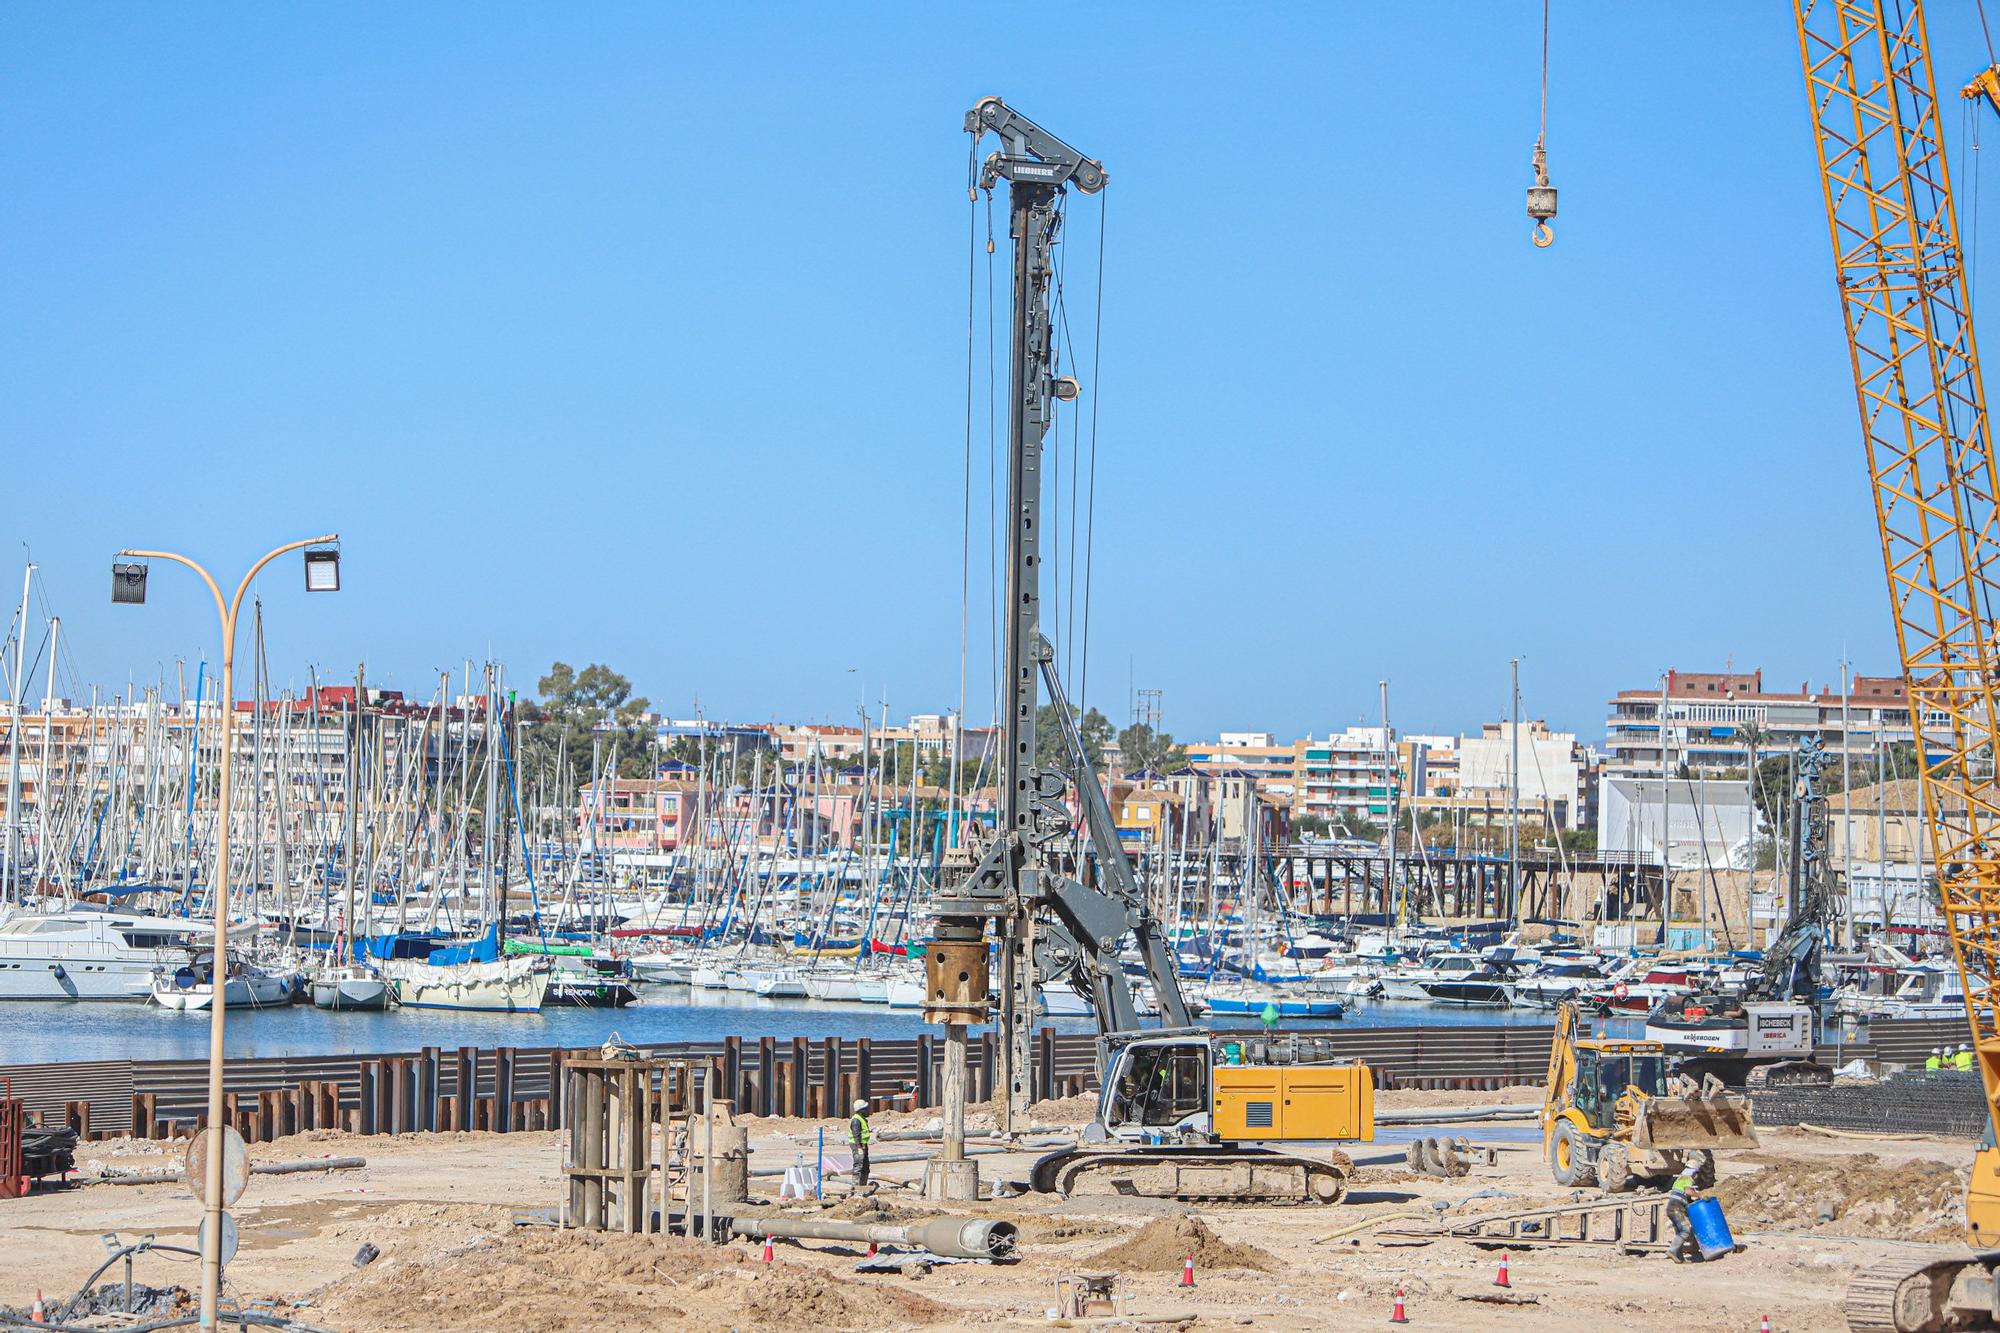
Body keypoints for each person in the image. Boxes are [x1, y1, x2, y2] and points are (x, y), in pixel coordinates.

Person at [1665, 1154, 1710, 1263]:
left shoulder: (1679, 1179)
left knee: (1679, 1232)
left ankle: (1679, 1257)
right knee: (1685, 1231)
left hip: (1672, 1207)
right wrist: (1700, 1195)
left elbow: (1684, 1196)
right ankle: (1672, 1250)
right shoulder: (1687, 1178)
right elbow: (1688, 1191)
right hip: (1676, 1208)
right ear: (1694, 1172)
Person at [848, 1098, 872, 1189]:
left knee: (865, 1166)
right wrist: (859, 1147)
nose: (868, 1110)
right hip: (858, 1146)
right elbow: (856, 1134)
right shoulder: (856, 1120)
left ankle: (863, 1186)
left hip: (863, 1144)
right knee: (858, 1165)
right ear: (861, 1110)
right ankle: (855, 1187)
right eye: (865, 1108)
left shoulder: (861, 1119)